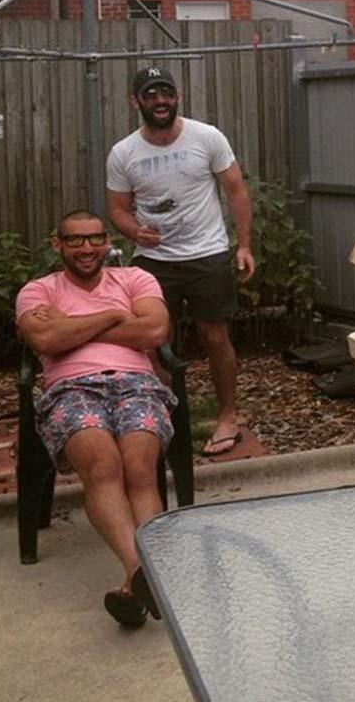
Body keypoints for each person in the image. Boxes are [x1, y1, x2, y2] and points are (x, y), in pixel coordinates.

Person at [15, 210, 172, 627]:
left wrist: (74, 326)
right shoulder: (37, 291)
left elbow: (155, 331)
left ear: (107, 242)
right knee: (104, 466)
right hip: (71, 388)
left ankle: (135, 583)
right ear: (57, 244)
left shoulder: (136, 279)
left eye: (95, 239)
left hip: (138, 384)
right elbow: (46, 338)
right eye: (75, 240)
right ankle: (149, 573)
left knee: (139, 468)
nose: (86, 249)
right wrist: (114, 316)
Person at [106, 66, 255, 457]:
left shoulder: (206, 138)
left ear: (178, 96)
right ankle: (163, 415)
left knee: (214, 336)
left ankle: (227, 416)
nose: (160, 101)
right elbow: (118, 210)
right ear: (135, 101)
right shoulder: (124, 153)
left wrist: (243, 246)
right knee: (155, 341)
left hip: (207, 254)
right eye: (151, 95)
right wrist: (135, 231)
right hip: (153, 262)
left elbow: (236, 192)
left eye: (166, 93)